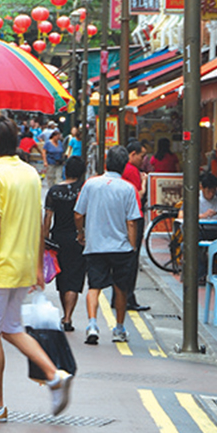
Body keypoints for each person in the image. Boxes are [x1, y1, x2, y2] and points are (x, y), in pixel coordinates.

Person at [0, 114, 73, 422]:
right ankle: (53, 374)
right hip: (22, 266)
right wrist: (36, 265)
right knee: (11, 328)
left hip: (1, 267)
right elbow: (36, 221)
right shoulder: (30, 173)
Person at [74, 146, 141, 345]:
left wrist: (81, 232)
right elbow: (132, 222)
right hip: (121, 248)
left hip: (95, 245)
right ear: (124, 166)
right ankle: (119, 329)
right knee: (120, 288)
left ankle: (92, 325)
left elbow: (78, 214)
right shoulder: (128, 188)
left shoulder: (91, 184)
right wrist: (132, 246)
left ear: (106, 163)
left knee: (94, 286)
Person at [43, 156, 87, 332]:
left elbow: (47, 217)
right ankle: (68, 316)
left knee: (63, 278)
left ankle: (65, 315)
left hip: (58, 238)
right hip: (78, 238)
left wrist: (45, 240)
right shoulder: (83, 189)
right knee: (74, 278)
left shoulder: (54, 191)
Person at [178, 171, 217, 284]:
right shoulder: (194, 197)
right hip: (199, 230)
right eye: (208, 191)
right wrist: (202, 215)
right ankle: (201, 274)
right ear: (202, 188)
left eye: (213, 191)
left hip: (215, 231)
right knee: (194, 244)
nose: (211, 194)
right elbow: (181, 215)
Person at [121, 140, 150, 312]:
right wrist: (144, 182)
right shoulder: (132, 170)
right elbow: (138, 195)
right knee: (131, 259)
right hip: (133, 218)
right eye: (142, 156)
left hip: (122, 218)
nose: (143, 160)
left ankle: (120, 297)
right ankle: (128, 298)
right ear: (133, 154)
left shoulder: (124, 168)